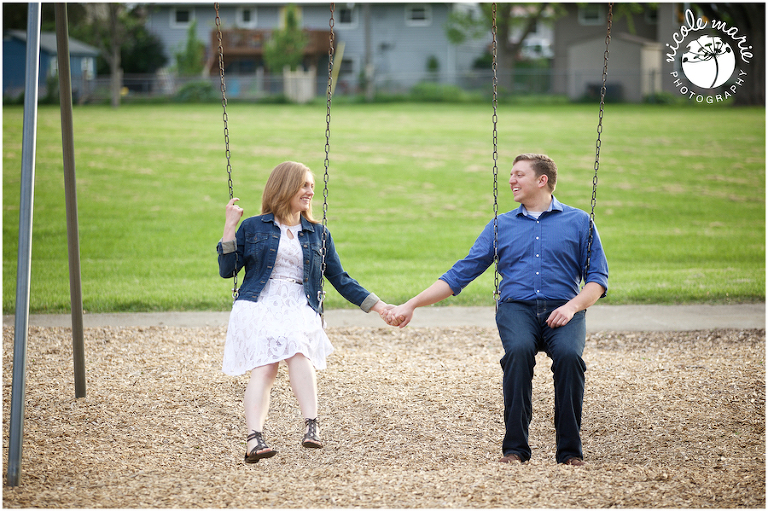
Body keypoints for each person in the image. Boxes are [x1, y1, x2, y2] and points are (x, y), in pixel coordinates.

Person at [386, 153, 608, 466]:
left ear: (542, 180)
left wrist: (572, 308)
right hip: (516, 308)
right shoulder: (501, 225)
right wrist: (412, 304)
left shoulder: (579, 222)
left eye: (519, 175)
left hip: (564, 309)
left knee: (571, 359)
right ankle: (515, 450)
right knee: (517, 352)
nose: (511, 180)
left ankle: (570, 452)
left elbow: (597, 280)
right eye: (511, 175)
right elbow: (461, 273)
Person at [217, 161, 392, 464]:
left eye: (312, 185)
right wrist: (229, 228)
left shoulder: (318, 234)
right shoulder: (254, 227)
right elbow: (227, 270)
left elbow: (339, 277)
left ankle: (312, 426)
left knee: (298, 349)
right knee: (265, 365)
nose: (311, 191)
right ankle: (254, 439)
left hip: (300, 300)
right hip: (259, 301)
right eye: (304, 185)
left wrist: (378, 305)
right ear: (284, 187)